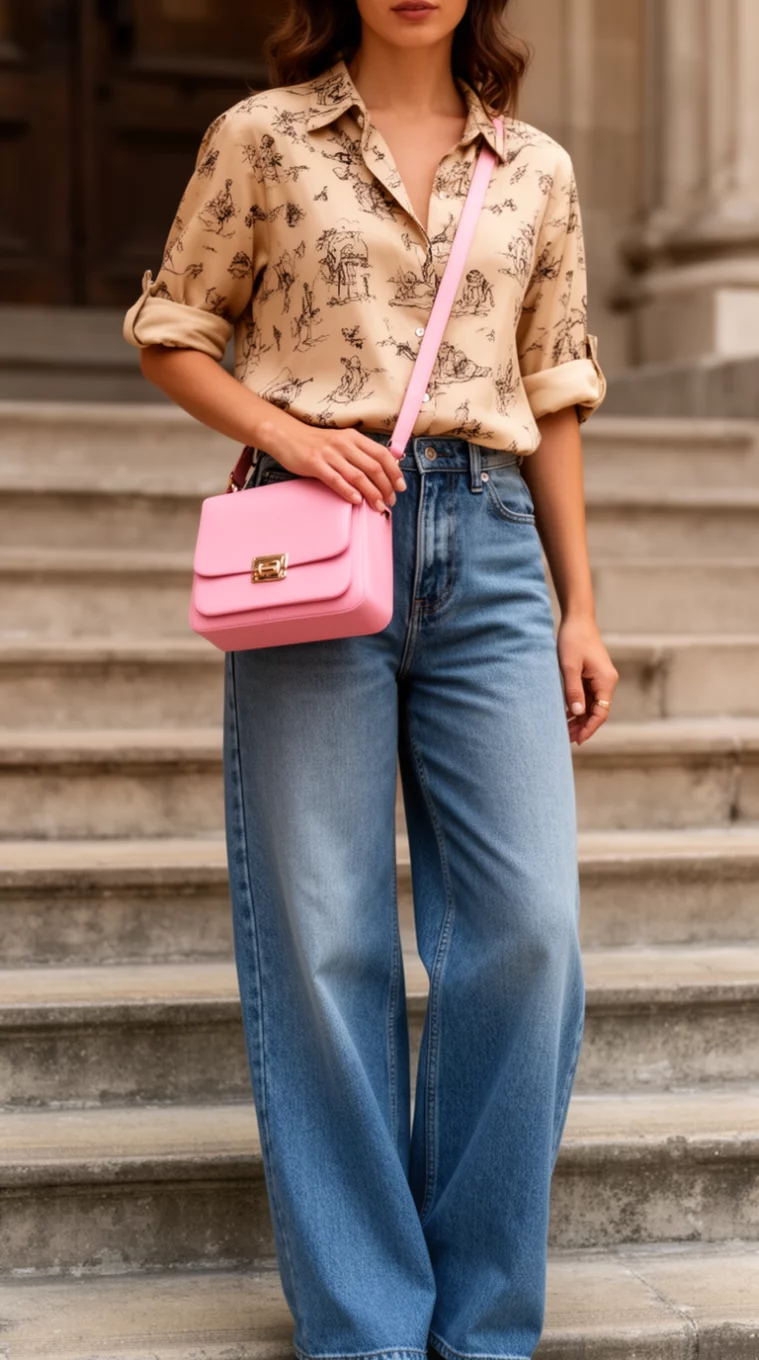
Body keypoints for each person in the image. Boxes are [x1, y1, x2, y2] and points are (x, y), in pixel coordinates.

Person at [122, 2, 618, 1357]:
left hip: (495, 548)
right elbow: (173, 329)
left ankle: (482, 1321)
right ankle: (366, 1324)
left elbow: (553, 386)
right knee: (323, 933)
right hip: (312, 541)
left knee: (526, 938)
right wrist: (286, 432)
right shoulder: (263, 137)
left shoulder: (536, 168)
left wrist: (581, 607)